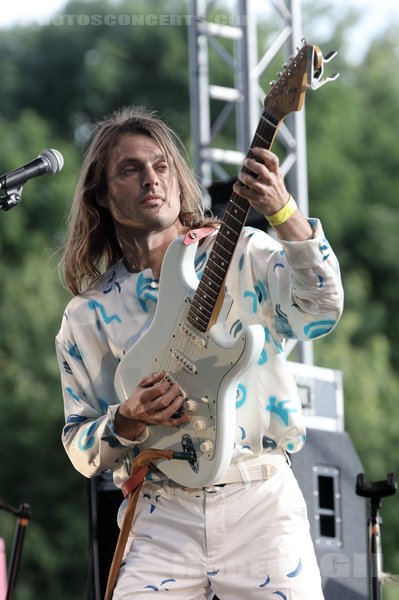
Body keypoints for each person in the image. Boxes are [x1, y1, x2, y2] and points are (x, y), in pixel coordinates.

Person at [56, 105, 343, 600]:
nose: (152, 179)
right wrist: (125, 419)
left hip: (259, 498)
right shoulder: (87, 316)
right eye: (131, 169)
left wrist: (283, 211)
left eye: (161, 165)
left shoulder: (242, 252)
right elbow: (81, 446)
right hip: (160, 511)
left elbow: (320, 309)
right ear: (101, 196)